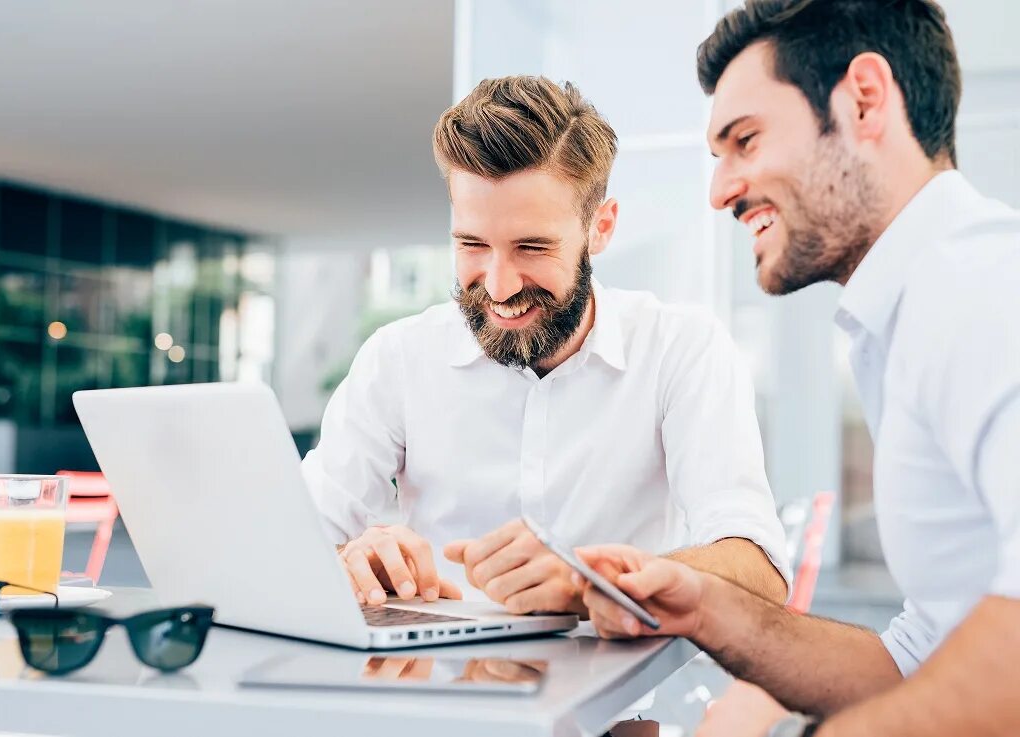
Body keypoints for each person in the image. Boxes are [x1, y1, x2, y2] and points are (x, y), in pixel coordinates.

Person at [575, 2, 1020, 736]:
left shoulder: (982, 284)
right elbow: (915, 658)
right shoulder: (906, 319)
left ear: (864, 101)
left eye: (744, 141)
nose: (719, 189)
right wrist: (709, 607)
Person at [301, 75, 790, 617]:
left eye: (531, 247)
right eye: (472, 244)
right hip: (431, 692)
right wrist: (347, 556)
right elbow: (296, 539)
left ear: (600, 228)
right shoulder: (397, 360)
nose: (499, 285)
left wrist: (591, 583)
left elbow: (758, 568)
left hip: (621, 702)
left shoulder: (680, 351)